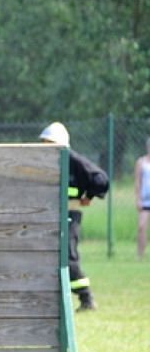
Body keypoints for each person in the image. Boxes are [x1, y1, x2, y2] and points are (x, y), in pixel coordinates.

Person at [39, 122, 109, 311]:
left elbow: (100, 179)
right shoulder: (45, 161)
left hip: (70, 214)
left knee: (68, 258)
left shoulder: (73, 160)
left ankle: (86, 297)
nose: (46, 146)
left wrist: (89, 196)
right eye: (44, 143)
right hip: (50, 214)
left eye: (49, 142)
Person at [136, 137, 150, 261]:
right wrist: (138, 199)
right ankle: (140, 254)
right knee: (142, 226)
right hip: (145, 200)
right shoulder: (142, 162)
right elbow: (138, 181)